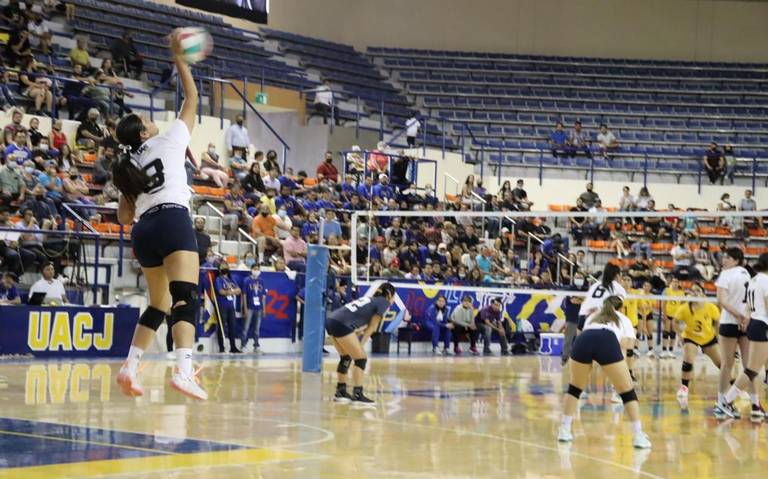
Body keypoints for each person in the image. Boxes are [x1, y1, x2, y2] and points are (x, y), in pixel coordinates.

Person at [112, 30, 206, 401]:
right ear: (144, 130)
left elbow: (123, 217)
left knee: (159, 303)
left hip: (143, 230)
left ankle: (130, 367)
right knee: (185, 298)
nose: (150, 120)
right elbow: (193, 98)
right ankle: (184, 371)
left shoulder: (127, 163)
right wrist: (180, 59)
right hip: (171, 220)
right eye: (144, 118)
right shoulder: (168, 139)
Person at [557, 296, 651, 449]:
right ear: (620, 308)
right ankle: (638, 435)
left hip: (583, 340)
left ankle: (564, 429)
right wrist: (611, 352)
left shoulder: (593, 316)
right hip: (607, 340)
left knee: (574, 388)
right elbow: (629, 344)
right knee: (627, 392)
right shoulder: (623, 318)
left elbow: (581, 332)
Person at [325, 282, 396, 405]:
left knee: (346, 357)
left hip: (332, 320)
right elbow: (372, 327)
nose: (394, 299)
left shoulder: (370, 299)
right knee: (361, 358)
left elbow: (360, 323)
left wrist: (357, 337)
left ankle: (341, 392)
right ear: (389, 294)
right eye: (394, 296)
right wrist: (361, 346)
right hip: (341, 324)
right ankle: (357, 394)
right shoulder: (383, 303)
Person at [719, 252, 768, 422]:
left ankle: (755, 406)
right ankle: (726, 401)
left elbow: (747, 304)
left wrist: (747, 320)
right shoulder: (765, 280)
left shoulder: (754, 279)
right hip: (763, 324)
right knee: (752, 369)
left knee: (753, 368)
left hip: (755, 323)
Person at [714, 247, 756, 420]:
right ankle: (755, 404)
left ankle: (722, 402)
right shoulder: (748, 274)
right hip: (747, 323)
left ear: (736, 260)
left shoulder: (726, 274)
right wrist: (745, 317)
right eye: (724, 257)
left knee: (726, 365)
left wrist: (738, 315)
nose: (724, 260)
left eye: (728, 257)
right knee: (749, 366)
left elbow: (721, 301)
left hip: (730, 322)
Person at [673, 283, 721, 409]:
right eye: (692, 291)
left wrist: (716, 335)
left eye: (698, 290)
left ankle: (735, 386)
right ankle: (684, 388)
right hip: (690, 337)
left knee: (721, 363)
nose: (695, 293)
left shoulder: (711, 307)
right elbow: (675, 322)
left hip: (708, 338)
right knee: (688, 360)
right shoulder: (684, 308)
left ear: (703, 294)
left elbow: (717, 322)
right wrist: (679, 335)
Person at [578, 262, 626, 330]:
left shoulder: (595, 285)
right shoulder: (618, 288)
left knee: (581, 339)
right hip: (599, 317)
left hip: (583, 315)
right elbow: (617, 304)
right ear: (617, 275)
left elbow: (586, 300)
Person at [214, 262, 241, 353]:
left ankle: (233, 347)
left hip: (231, 306)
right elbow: (220, 291)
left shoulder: (232, 279)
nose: (225, 268)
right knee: (222, 326)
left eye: (226, 266)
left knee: (232, 326)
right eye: (222, 266)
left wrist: (229, 292)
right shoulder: (218, 279)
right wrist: (231, 291)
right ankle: (221, 347)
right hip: (222, 306)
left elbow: (239, 290)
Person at [561, 271, 587, 365]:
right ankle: (565, 357)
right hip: (571, 317)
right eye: (577, 277)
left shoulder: (586, 289)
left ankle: (581, 358)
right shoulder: (570, 288)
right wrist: (583, 299)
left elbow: (587, 300)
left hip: (583, 318)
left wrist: (581, 299)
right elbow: (574, 300)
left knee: (582, 339)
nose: (578, 279)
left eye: (580, 278)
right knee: (568, 338)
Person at [241, 263, 265, 353]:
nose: (256, 270)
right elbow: (244, 295)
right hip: (250, 307)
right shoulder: (247, 280)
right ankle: (243, 345)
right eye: (254, 269)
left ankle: (256, 345)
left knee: (257, 328)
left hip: (258, 308)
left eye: (257, 269)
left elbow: (263, 296)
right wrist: (245, 308)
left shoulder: (261, 281)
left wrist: (264, 308)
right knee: (246, 327)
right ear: (251, 270)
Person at [661, 278, 686, 359]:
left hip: (676, 316)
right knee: (666, 332)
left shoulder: (681, 293)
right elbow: (663, 304)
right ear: (671, 282)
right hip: (667, 314)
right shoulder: (667, 290)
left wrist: (681, 317)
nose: (675, 283)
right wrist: (664, 315)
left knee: (673, 333)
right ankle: (664, 350)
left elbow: (683, 305)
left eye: (677, 282)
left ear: (679, 283)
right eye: (674, 281)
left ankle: (671, 351)